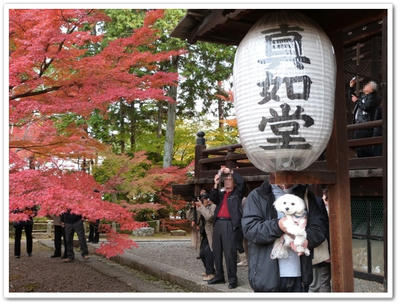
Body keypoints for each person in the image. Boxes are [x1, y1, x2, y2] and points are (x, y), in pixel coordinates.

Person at [241, 180, 326, 292]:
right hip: (267, 276)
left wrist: (306, 239)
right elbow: (250, 229)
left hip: (299, 276)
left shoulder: (306, 195)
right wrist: (278, 225)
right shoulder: (258, 195)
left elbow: (319, 228)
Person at [207, 166, 244, 289]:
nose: (227, 181)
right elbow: (212, 198)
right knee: (216, 251)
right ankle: (219, 276)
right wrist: (216, 183)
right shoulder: (222, 194)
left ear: (234, 182)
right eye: (226, 179)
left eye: (230, 179)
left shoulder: (237, 193)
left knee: (229, 253)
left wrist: (231, 172)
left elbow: (242, 182)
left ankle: (233, 279)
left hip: (229, 224)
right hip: (218, 223)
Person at [349, 78, 379, 157]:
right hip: (359, 124)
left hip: (365, 125)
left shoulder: (373, 97)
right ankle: (361, 161)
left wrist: (356, 101)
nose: (364, 86)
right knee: (358, 145)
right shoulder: (363, 96)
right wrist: (351, 87)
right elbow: (352, 97)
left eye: (367, 85)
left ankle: (368, 163)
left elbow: (366, 107)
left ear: (371, 89)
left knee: (363, 145)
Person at [309, 188, 331, 292]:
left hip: (313, 248)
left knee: (315, 282)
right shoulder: (318, 202)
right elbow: (325, 228)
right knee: (322, 281)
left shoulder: (316, 201)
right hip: (318, 248)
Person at [195, 190, 216, 281]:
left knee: (208, 252)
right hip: (204, 235)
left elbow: (209, 217)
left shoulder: (213, 206)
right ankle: (209, 271)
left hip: (211, 234)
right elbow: (197, 219)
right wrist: (196, 207)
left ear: (208, 199)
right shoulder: (202, 207)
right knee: (202, 254)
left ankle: (211, 273)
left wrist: (202, 207)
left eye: (204, 199)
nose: (202, 201)